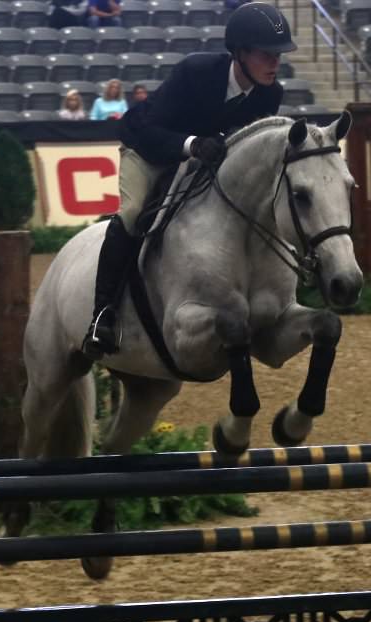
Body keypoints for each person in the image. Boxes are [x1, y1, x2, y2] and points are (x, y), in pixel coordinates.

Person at [81, 1, 293, 358]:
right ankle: (103, 314)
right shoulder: (196, 72)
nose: (276, 63)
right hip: (149, 150)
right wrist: (192, 145)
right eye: (267, 54)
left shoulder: (270, 94)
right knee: (133, 214)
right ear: (240, 53)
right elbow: (150, 130)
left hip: (204, 163)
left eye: (279, 55)